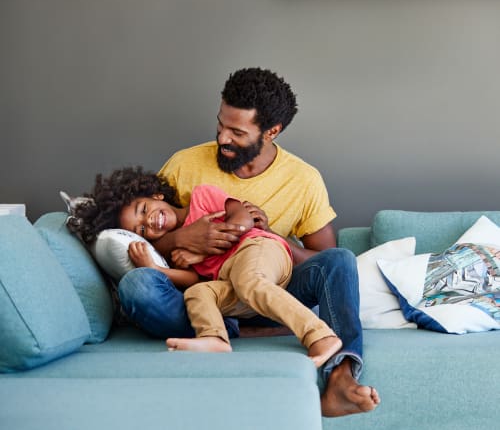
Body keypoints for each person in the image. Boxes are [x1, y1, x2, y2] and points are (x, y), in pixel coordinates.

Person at [118, 67, 380, 417]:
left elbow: (322, 260)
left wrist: (270, 237)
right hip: (213, 293)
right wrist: (183, 238)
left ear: (271, 131)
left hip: (271, 281)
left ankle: (341, 378)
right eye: (220, 125)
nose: (222, 138)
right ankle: (232, 331)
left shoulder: (303, 180)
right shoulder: (184, 165)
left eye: (237, 132)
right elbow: (151, 228)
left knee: (341, 260)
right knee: (138, 287)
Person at [71, 166, 342, 368]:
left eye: (144, 209)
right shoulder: (179, 250)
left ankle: (320, 336)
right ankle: (216, 339)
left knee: (250, 281)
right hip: (231, 277)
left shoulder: (202, 197)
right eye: (141, 229)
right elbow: (192, 280)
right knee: (198, 295)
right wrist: (154, 268)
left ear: (156, 195)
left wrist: (218, 234)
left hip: (260, 249)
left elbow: (243, 217)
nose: (149, 221)